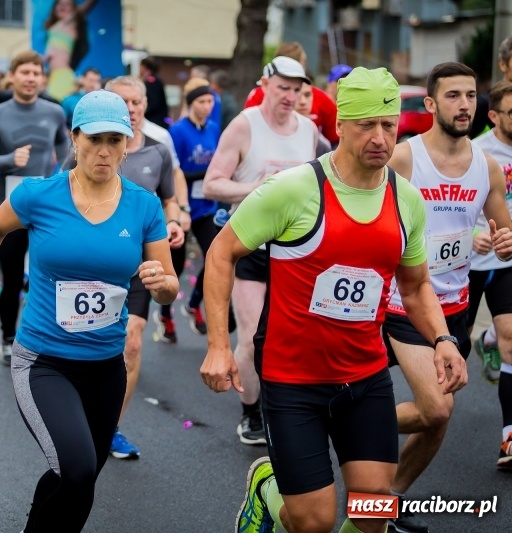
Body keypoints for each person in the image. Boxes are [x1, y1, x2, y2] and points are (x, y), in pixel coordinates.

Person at [200, 66, 471, 533]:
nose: (380, 138)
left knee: (373, 515)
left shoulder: (405, 199)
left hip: (364, 377)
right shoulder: (295, 189)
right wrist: (219, 346)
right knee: (314, 522)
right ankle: (266, 488)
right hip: (293, 379)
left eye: (388, 125)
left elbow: (415, 285)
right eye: (367, 125)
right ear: (341, 125)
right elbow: (222, 252)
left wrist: (442, 338)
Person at [0, 89, 177, 532]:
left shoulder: (143, 205)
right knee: (77, 470)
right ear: (74, 139)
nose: (104, 151)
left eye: (115, 139)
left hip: (106, 367)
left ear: (128, 143)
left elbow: (166, 287)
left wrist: (163, 285)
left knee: (77, 478)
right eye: (94, 139)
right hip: (44, 363)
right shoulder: (40, 194)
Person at [384, 62, 512, 532]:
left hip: (453, 306)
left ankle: (385, 504)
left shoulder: (487, 167)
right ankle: (347, 425)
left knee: (436, 420)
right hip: (398, 301)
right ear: (433, 105)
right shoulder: (403, 158)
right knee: (438, 407)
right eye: (454, 95)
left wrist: (501, 240)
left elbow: (503, 228)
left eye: (471, 95)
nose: (465, 104)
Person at [61, 75, 184, 459]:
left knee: (131, 343)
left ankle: (109, 425)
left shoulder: (159, 151)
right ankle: (75, 409)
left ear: (146, 105)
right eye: (123, 102)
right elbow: (59, 193)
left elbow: (169, 199)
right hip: (85, 270)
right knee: (82, 344)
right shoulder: (85, 147)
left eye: (137, 102)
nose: (131, 109)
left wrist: (175, 220)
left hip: (136, 270)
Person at [203, 56, 317, 446]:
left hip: (297, 248)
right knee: (253, 337)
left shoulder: (310, 130)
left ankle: (290, 409)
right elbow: (212, 185)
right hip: (250, 243)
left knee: (295, 337)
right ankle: (251, 412)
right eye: (282, 87)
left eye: (297, 88)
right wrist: (259, 187)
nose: (290, 96)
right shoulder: (244, 125)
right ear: (265, 83)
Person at [0, 50, 69, 364]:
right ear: (12, 76)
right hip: (10, 208)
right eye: (25, 72)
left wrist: (61, 181)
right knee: (13, 277)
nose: (31, 78)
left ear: (42, 78)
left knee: (52, 273)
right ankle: (7, 337)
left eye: (36, 73)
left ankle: (49, 337)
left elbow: (68, 153)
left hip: (48, 207)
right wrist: (8, 160)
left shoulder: (54, 111)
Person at [470, 80, 512, 470]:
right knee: (443, 371)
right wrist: (473, 235)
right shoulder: (476, 154)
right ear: (494, 116)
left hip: (505, 262)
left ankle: (510, 438)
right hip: (464, 266)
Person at [167, 78, 220, 335]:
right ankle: (165, 315)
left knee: (215, 257)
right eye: (201, 101)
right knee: (174, 269)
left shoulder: (213, 129)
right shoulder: (177, 131)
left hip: (206, 207)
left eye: (210, 101)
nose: (207, 106)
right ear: (191, 103)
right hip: (180, 207)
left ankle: (193, 303)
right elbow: (173, 172)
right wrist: (204, 173)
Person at [245, 41, 338, 146]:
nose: (292, 98)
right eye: (283, 88)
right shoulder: (256, 98)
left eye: (298, 91)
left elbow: (335, 140)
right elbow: (248, 134)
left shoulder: (320, 98)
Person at [43, 0, 97, 101]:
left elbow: (86, 7)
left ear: (74, 9)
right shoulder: (55, 26)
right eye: (59, 3)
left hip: (62, 76)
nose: (62, 6)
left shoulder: (69, 23)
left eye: (68, 4)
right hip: (53, 76)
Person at [140, 56, 170, 129]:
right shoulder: (154, 80)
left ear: (145, 67)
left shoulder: (152, 81)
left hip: (155, 120)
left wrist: (142, 110)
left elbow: (153, 102)